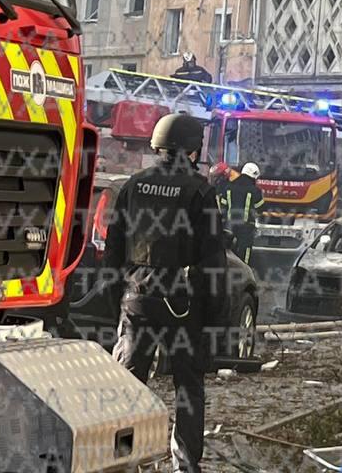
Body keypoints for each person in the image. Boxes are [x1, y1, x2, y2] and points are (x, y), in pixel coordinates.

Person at [100, 112, 228, 473]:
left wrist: (115, 303)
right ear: (193, 149)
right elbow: (213, 261)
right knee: (188, 389)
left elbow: (113, 251)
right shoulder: (201, 191)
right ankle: (185, 465)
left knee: (127, 384)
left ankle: (119, 460)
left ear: (158, 145)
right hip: (183, 308)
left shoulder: (133, 185)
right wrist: (215, 319)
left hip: (137, 301)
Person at [222, 162, 266, 263]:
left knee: (228, 249)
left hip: (229, 226)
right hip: (246, 226)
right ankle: (244, 270)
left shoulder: (229, 187)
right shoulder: (255, 190)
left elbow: (223, 205)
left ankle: (227, 269)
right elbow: (260, 208)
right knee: (245, 250)